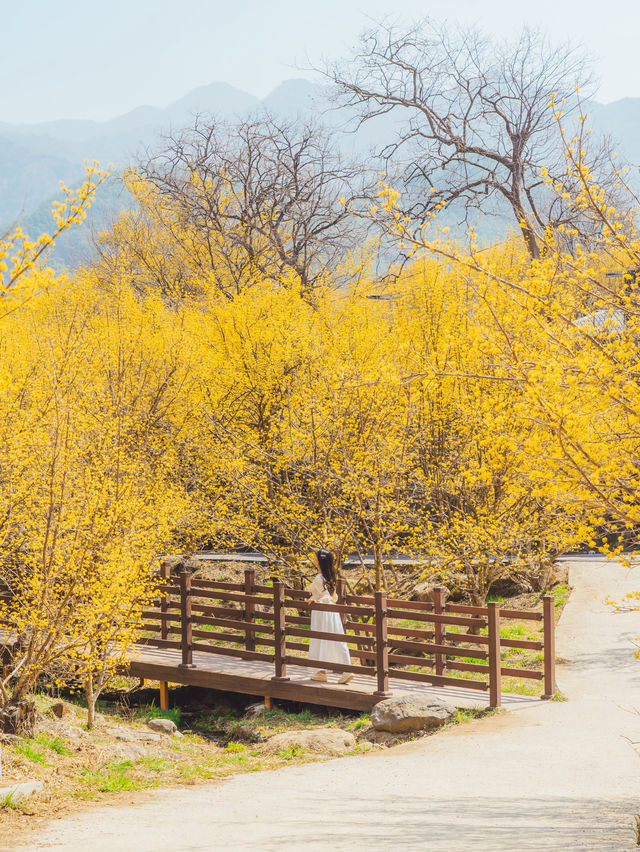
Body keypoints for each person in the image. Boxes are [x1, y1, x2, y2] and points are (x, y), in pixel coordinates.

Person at [307, 549, 353, 684]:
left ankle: (321, 671)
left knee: (320, 638)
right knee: (337, 638)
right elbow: (330, 596)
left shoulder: (318, 578)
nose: (314, 560)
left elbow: (322, 596)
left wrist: (314, 599)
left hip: (322, 612)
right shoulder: (330, 577)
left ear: (320, 561)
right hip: (332, 613)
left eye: (315, 558)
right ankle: (346, 669)